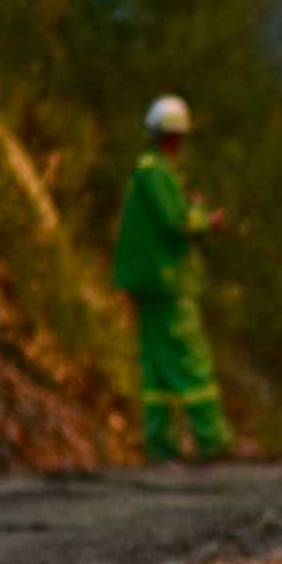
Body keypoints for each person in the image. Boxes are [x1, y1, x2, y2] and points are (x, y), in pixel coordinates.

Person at [112, 96, 232, 464]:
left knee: (156, 365)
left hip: (147, 281)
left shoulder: (146, 170)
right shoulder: (157, 172)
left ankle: (161, 445)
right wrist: (206, 220)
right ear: (177, 137)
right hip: (167, 282)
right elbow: (176, 223)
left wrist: (190, 207)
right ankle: (213, 440)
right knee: (190, 358)